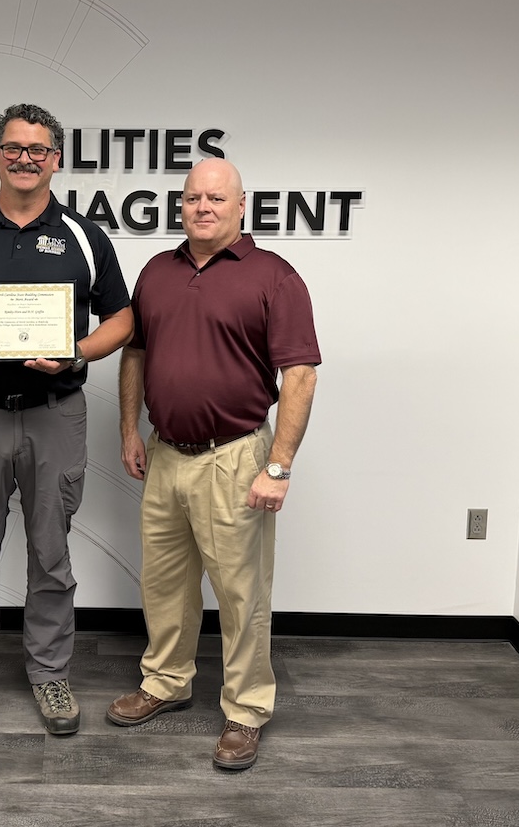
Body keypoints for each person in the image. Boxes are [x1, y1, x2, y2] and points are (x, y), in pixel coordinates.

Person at [0, 103, 133, 741]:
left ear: (56, 159)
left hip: (54, 415)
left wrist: (77, 352)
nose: (25, 159)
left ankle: (50, 673)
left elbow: (122, 318)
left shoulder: (84, 237)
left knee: (51, 552)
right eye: (13, 148)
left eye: (38, 149)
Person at [106, 158, 319, 771]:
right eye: (192, 197)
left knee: (241, 592)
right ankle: (166, 682)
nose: (202, 207)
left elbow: (300, 374)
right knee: (164, 583)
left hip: (236, 457)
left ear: (241, 206)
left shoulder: (275, 276)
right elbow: (134, 354)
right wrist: (129, 428)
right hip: (166, 453)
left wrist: (278, 467)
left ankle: (246, 710)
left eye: (216, 198)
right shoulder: (157, 271)